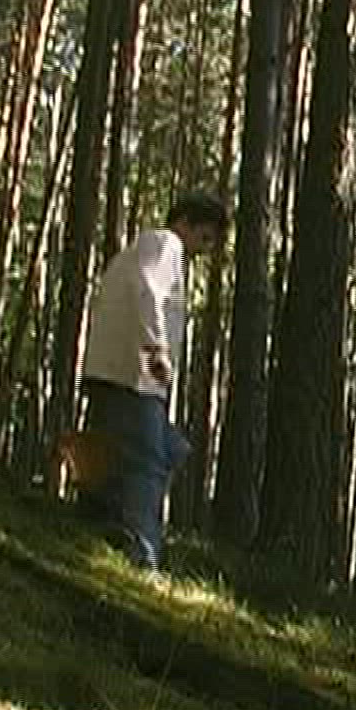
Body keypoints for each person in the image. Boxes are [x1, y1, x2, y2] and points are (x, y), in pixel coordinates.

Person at [76, 190, 228, 569]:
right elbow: (147, 290)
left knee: (163, 450)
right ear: (185, 222)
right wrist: (156, 350)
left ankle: (99, 530)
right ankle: (142, 555)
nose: (205, 249)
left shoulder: (145, 248)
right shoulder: (165, 244)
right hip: (135, 375)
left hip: (116, 371)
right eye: (204, 237)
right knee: (146, 465)